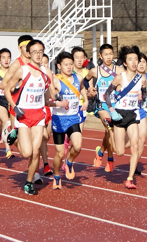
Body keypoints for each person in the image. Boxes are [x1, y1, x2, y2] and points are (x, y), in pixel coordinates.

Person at [3, 40, 54, 195]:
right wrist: (15, 106)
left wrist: (58, 103)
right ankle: (13, 134)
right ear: (29, 53)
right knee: (26, 152)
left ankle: (29, 182)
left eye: (41, 52)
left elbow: (47, 97)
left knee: (35, 151)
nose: (38, 55)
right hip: (23, 115)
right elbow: (6, 90)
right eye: (35, 52)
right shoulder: (22, 70)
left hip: (38, 115)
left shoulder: (46, 72)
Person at [104, 46, 147, 189]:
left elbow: (143, 95)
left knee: (135, 145)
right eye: (131, 59)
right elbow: (107, 94)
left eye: (136, 59)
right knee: (120, 152)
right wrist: (111, 110)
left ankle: (129, 178)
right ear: (125, 62)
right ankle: (110, 132)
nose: (134, 62)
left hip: (133, 114)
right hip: (119, 114)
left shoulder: (141, 79)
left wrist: (143, 100)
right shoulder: (119, 78)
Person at [48, 52, 88, 190]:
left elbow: (82, 88)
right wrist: (57, 103)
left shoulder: (78, 77)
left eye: (71, 64)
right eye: (66, 65)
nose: (69, 67)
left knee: (77, 146)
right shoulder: (55, 80)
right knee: (59, 153)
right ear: (59, 66)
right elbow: (47, 100)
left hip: (73, 118)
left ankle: (69, 162)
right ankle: (57, 175)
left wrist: (86, 100)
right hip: (58, 120)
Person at [84, 44, 124, 173]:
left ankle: (100, 151)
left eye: (110, 54)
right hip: (102, 106)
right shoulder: (95, 70)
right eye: (105, 54)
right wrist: (89, 89)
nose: (108, 57)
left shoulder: (119, 70)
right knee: (110, 129)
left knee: (109, 132)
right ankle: (110, 159)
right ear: (100, 56)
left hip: (116, 106)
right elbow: (85, 81)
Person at [0, 48, 15, 159]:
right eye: (3, 58)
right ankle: (8, 149)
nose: (6, 60)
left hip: (10, 101)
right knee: (7, 122)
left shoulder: (14, 72)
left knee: (4, 123)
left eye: (8, 57)